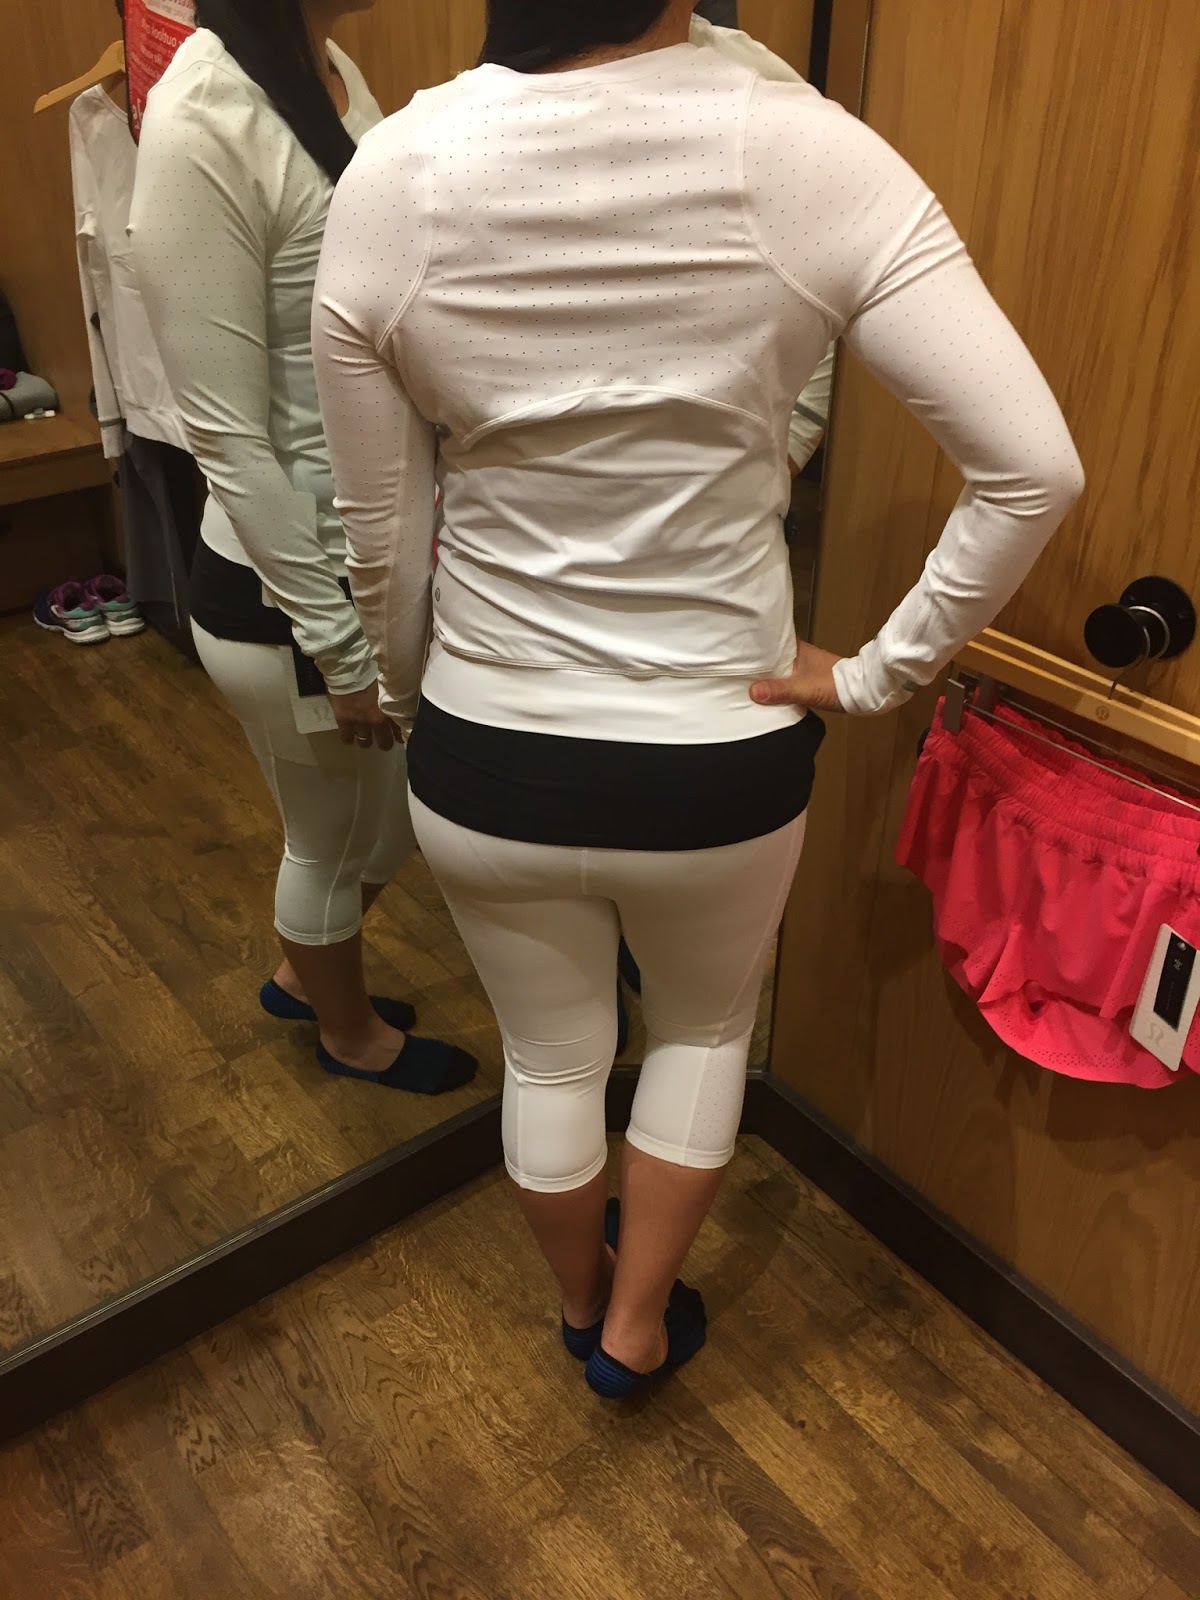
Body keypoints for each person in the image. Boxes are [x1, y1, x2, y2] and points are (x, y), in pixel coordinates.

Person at [313, 0, 1083, 1395]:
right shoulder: (806, 150)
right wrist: (875, 672)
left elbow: (380, 530)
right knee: (705, 1033)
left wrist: (425, 698)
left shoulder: (392, 174)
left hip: (488, 752)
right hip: (720, 757)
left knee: (551, 1058)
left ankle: (577, 1303)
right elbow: (1033, 470)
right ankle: (634, 1330)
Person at [130, 0, 476, 1096]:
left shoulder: (327, 67)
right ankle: (346, 1031)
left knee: (394, 822)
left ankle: (304, 974)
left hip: (371, 562)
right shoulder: (200, 122)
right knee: (328, 839)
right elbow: (227, 437)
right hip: (289, 591)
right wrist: (337, 642)